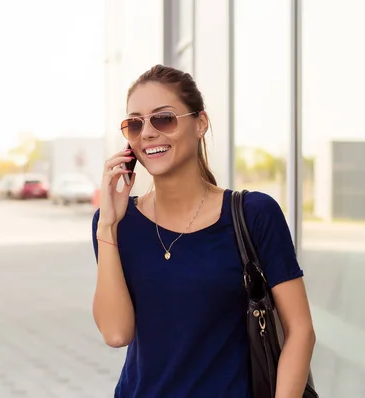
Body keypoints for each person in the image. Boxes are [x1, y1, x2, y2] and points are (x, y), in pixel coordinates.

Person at [91, 65, 316, 397]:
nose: (148, 133)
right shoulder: (116, 223)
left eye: (163, 118)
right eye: (135, 124)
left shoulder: (254, 214)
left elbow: (300, 331)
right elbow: (116, 334)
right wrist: (108, 224)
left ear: (201, 123)